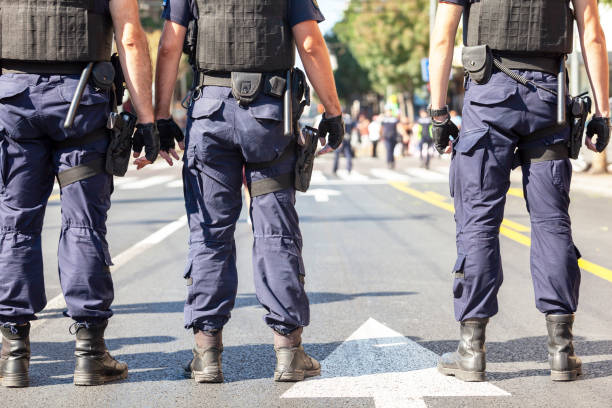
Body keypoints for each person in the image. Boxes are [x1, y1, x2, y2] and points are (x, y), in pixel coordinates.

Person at [155, 0, 344, 383]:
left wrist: (158, 116)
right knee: (275, 231)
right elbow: (309, 45)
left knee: (210, 234)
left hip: (210, 114)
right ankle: (289, 352)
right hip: (269, 117)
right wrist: (333, 110)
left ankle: (207, 353)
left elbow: (170, 46)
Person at [430, 0, 610, 382]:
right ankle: (562, 351)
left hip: (488, 95)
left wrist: (439, 114)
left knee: (478, 221)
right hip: (549, 99)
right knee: (551, 221)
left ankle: (471, 350)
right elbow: (591, 31)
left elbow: (443, 35)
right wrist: (602, 111)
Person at [0, 0, 158, 388]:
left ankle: (12, 355)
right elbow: (132, 39)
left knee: (15, 223)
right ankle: (90, 354)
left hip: (14, 99)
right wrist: (147, 118)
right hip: (81, 100)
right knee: (83, 225)